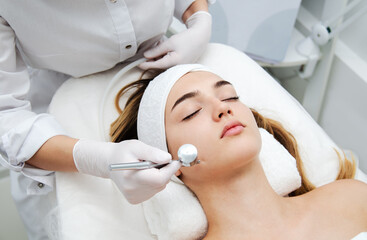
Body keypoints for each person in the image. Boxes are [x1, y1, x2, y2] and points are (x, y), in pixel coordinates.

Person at [0, 1, 212, 239]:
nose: (224, 111)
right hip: (56, 135)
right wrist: (93, 159)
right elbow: (5, 116)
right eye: (190, 114)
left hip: (165, 64)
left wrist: (198, 17)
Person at [110, 64, 367, 239]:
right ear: (166, 162)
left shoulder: (351, 199)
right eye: (191, 112)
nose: (223, 108)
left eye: (229, 96)